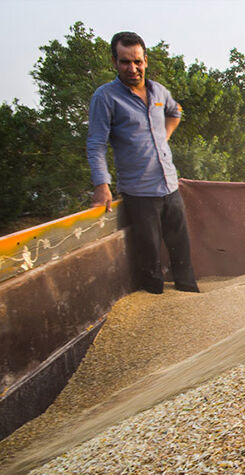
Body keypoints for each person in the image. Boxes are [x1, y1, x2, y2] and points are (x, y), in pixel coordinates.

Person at [87, 31, 199, 294]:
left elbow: (176, 111)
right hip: (139, 192)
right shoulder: (105, 97)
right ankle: (154, 301)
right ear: (114, 62)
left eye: (137, 61)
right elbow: (96, 143)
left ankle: (189, 294)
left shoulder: (158, 91)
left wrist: (164, 136)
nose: (133, 68)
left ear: (145, 60)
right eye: (125, 61)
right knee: (149, 257)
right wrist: (101, 184)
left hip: (170, 185)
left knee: (181, 249)